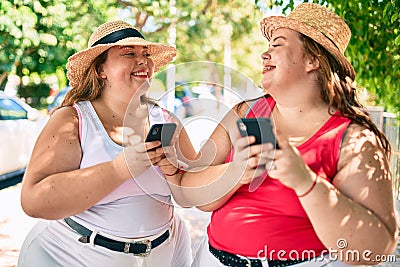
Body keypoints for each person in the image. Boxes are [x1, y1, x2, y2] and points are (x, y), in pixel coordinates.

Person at [181, 3, 399, 266]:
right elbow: (191, 193)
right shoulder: (243, 113)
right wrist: (235, 173)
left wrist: (305, 182)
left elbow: (377, 249)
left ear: (312, 60)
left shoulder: (354, 140)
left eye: (277, 45)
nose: (264, 54)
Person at [18, 20, 196, 267]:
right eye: (129, 54)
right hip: (71, 258)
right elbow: (33, 200)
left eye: (145, 54)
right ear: (101, 69)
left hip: (165, 255)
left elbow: (193, 196)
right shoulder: (72, 119)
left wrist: (177, 172)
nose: (143, 60)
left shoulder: (166, 120)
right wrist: (118, 169)